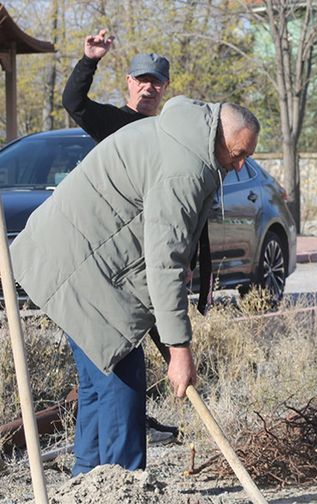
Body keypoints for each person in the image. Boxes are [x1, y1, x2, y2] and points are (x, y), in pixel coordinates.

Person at [10, 97, 259, 476]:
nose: (240, 166)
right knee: (122, 380)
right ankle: (122, 482)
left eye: (247, 157)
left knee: (101, 380)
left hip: (79, 258)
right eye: (238, 154)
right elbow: (164, 263)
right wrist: (179, 350)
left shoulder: (189, 143)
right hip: (77, 264)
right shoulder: (185, 169)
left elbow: (165, 242)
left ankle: (88, 482)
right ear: (219, 137)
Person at [63, 29, 170, 142]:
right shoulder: (111, 121)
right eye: (142, 80)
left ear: (166, 85)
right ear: (129, 81)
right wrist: (89, 61)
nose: (148, 87)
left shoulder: (167, 130)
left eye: (156, 82)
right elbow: (73, 101)